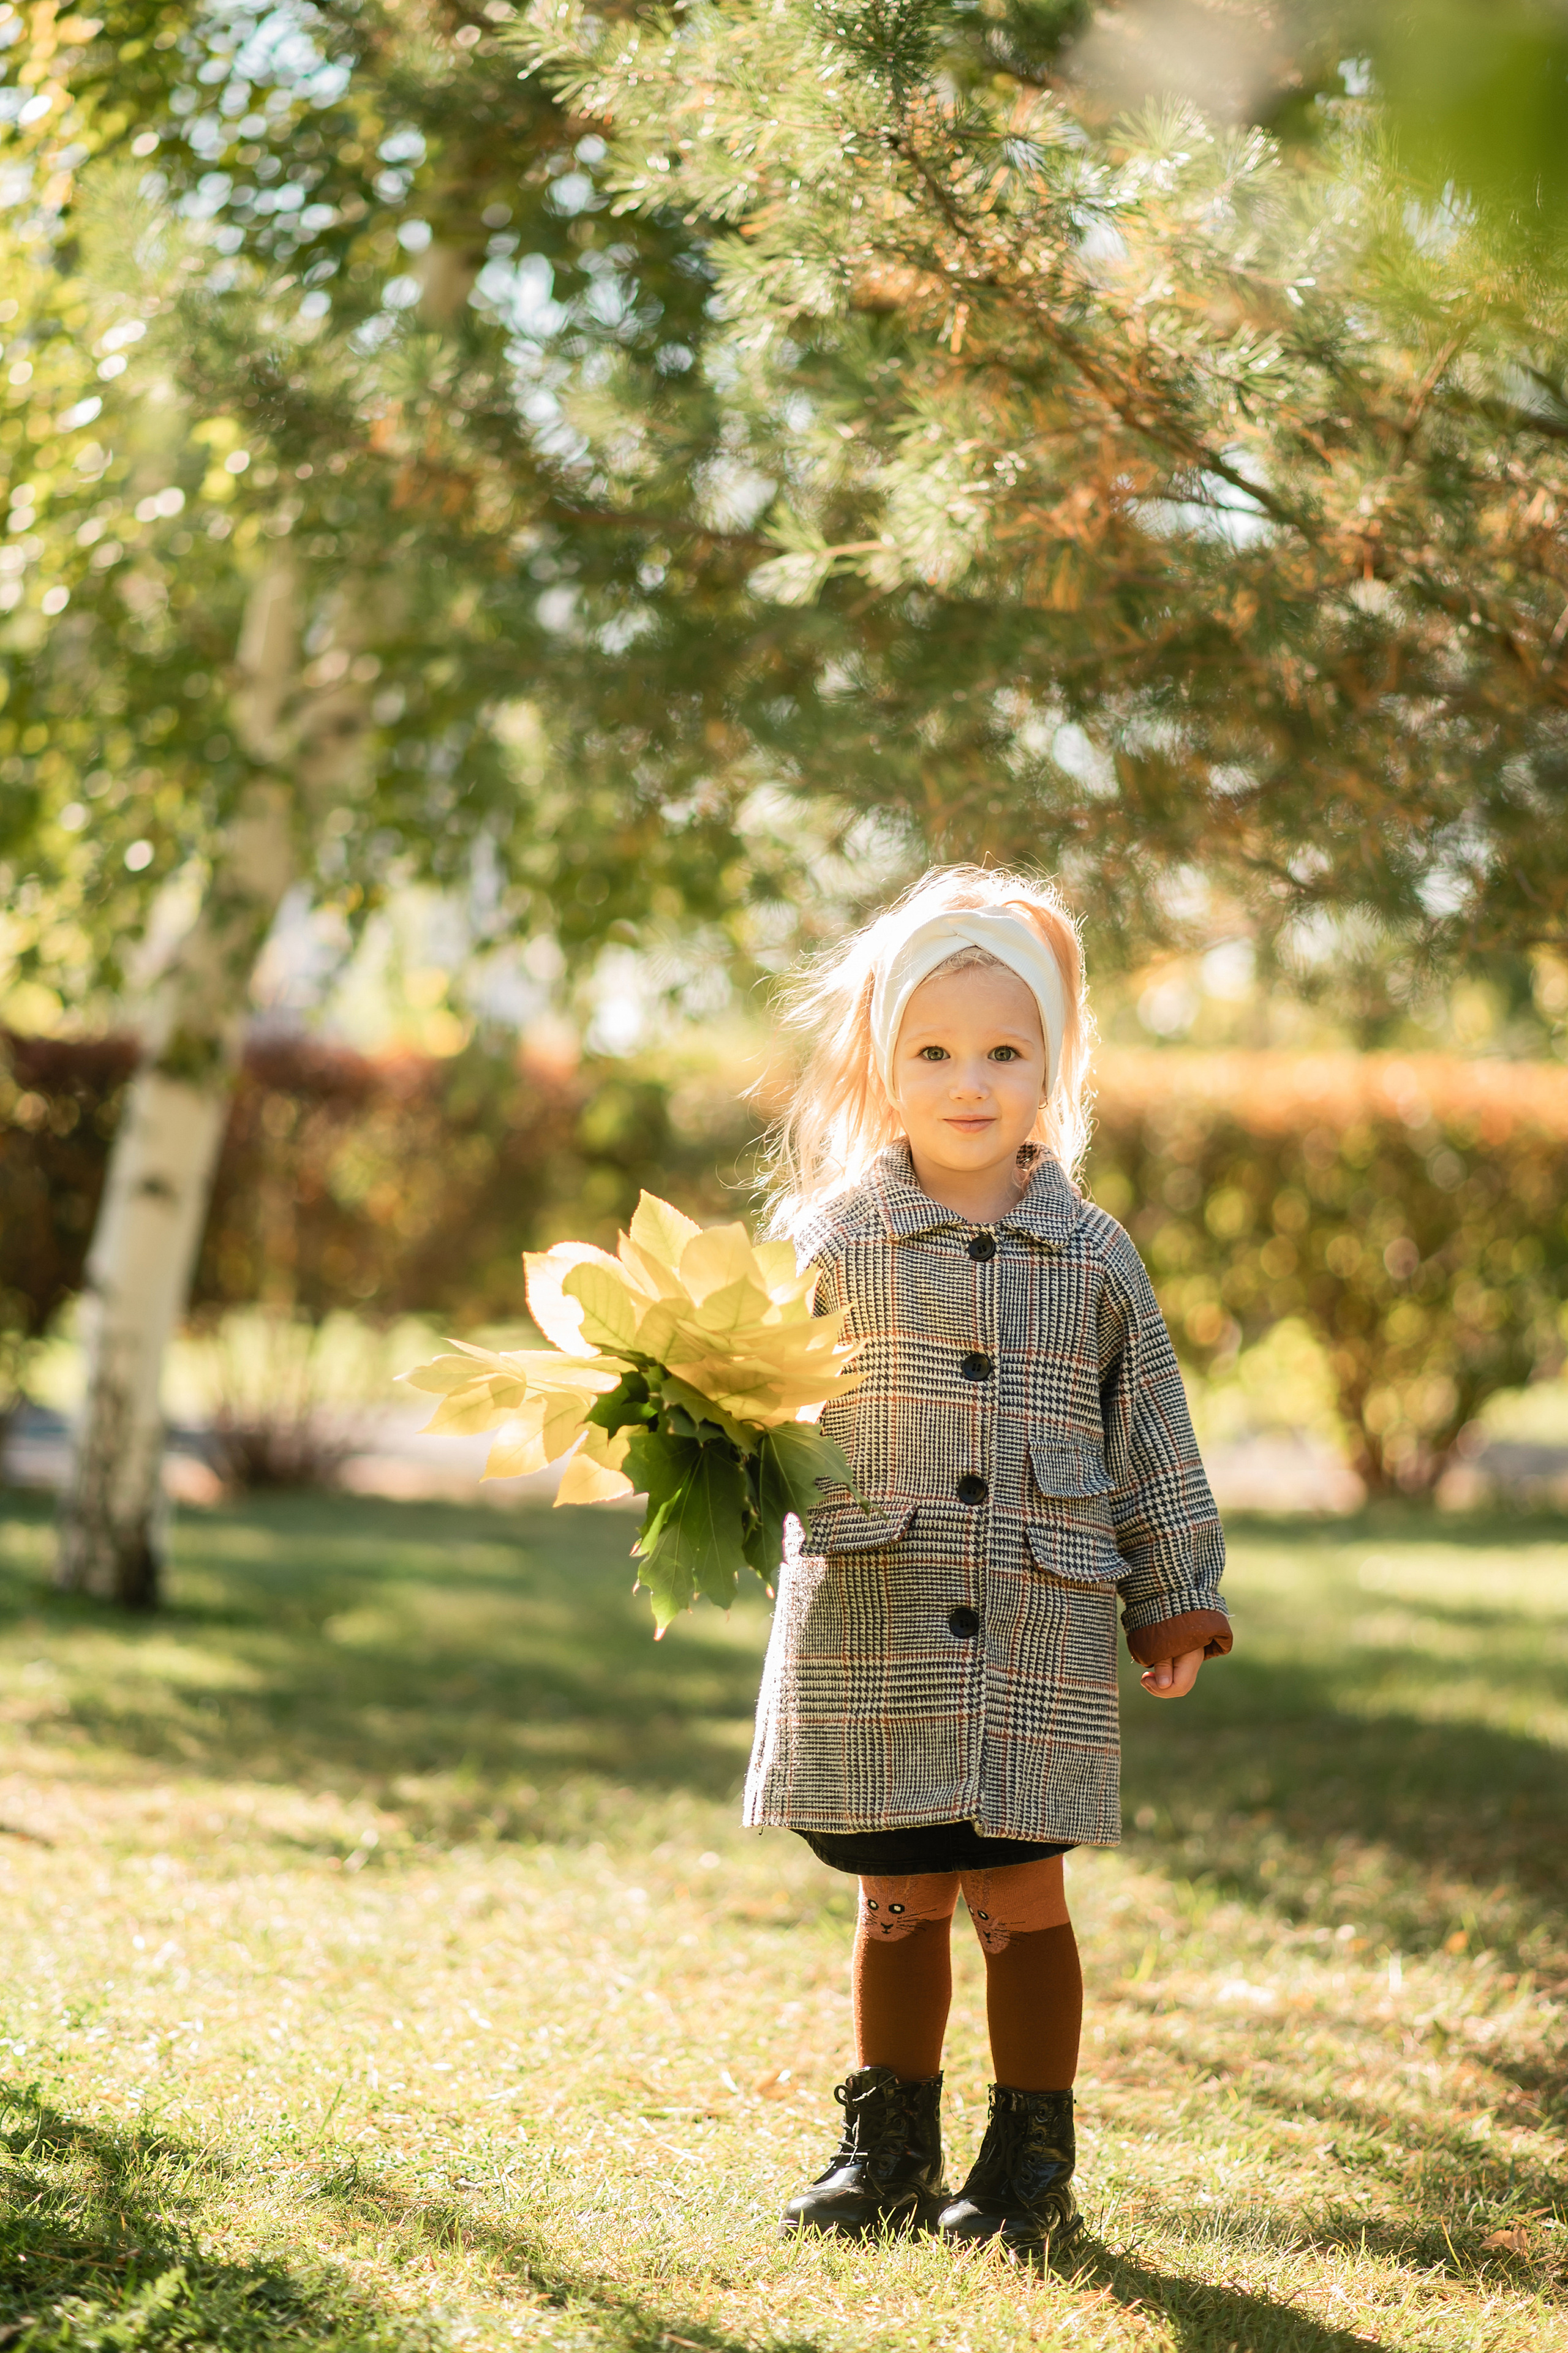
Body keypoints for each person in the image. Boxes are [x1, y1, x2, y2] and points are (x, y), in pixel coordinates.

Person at [744, 864, 1231, 2261]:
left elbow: (1147, 1426)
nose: (970, 1081)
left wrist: (1173, 1592)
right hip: (876, 1616)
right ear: (884, 1071)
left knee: (1022, 1900)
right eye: (935, 1052)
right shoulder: (830, 1238)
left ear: (1052, 1067)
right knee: (894, 1898)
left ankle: (1028, 2158)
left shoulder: (1090, 1253)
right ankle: (883, 2145)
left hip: (1036, 1618)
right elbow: (757, 1387)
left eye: (1005, 1051)